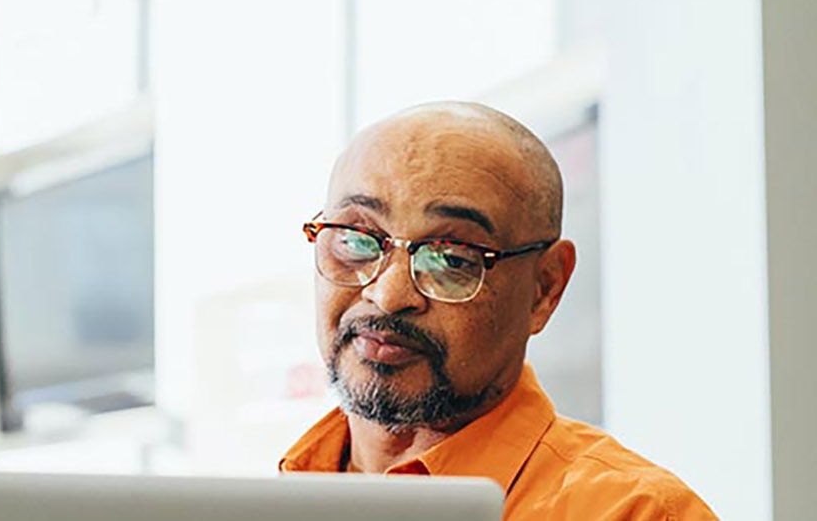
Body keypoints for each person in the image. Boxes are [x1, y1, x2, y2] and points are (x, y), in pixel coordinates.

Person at [281, 102, 714, 519]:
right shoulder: (278, 497)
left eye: (451, 258)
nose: (389, 295)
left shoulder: (637, 514)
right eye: (356, 240)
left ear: (544, 290)